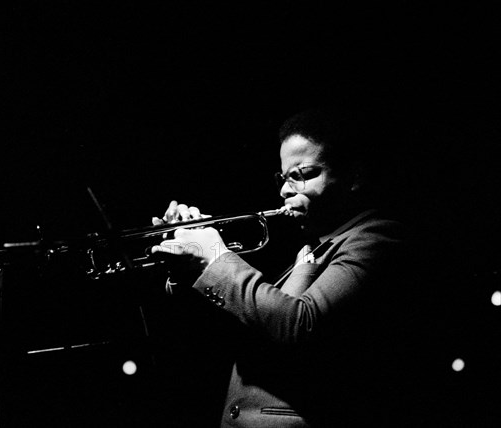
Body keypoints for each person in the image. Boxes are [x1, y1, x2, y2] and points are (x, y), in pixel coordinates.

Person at [151, 107, 415, 428]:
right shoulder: (310, 250)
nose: (284, 190)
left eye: (301, 174)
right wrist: (189, 267)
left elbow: (299, 324)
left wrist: (217, 256)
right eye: (283, 177)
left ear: (353, 177)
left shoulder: (378, 237)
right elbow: (233, 335)